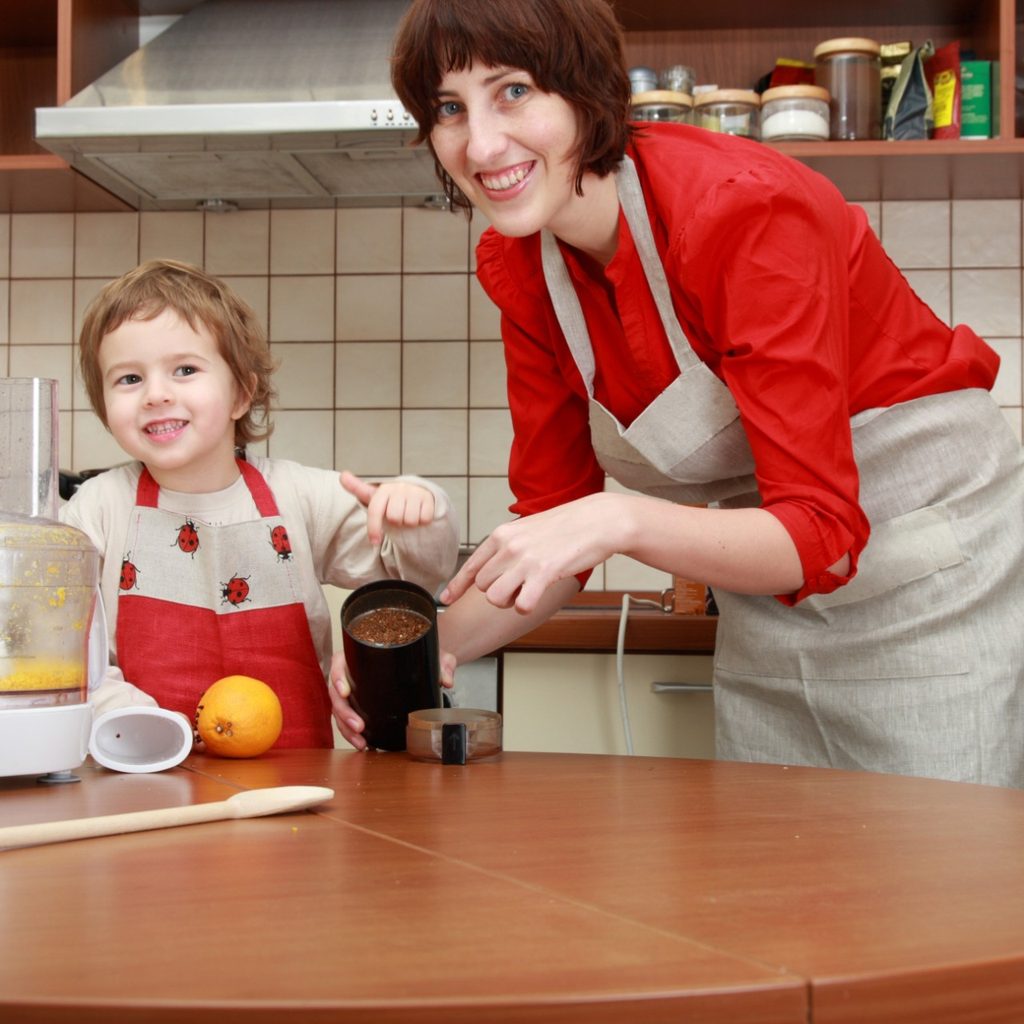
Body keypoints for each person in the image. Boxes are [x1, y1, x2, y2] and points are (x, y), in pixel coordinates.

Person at [330, 0, 1024, 786]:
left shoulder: (742, 208)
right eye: (449, 109)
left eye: (514, 91)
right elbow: (555, 525)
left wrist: (617, 521)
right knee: (779, 850)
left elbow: (821, 530)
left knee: (935, 853)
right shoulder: (519, 268)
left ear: (586, 90)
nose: (481, 145)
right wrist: (422, 650)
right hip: (772, 585)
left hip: (933, 564)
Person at [63, 259, 459, 748]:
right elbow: (69, 655)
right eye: (129, 379)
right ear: (105, 407)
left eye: (185, 370)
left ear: (241, 395)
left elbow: (414, 575)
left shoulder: (299, 494)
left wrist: (418, 508)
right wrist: (139, 725)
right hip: (147, 767)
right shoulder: (97, 508)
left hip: (299, 775)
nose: (155, 395)